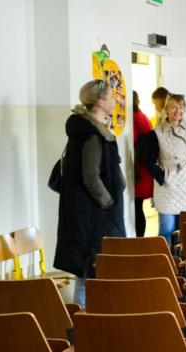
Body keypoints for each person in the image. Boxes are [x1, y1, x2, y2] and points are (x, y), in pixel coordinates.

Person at [54, 79, 126, 307]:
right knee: (89, 272)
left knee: (90, 272)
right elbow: (91, 176)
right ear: (100, 102)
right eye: (111, 97)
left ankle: (88, 318)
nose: (114, 101)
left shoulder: (87, 130)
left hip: (89, 215)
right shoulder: (92, 135)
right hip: (93, 216)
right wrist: (108, 201)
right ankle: (83, 321)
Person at [146, 94, 186, 246]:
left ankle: (185, 259)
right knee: (167, 229)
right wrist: (163, 177)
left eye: (181, 107)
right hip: (168, 186)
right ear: (166, 110)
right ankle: (166, 259)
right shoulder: (156, 133)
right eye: (174, 107)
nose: (178, 110)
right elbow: (149, 161)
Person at [132, 91, 154, 237]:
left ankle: (139, 239)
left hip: (140, 170)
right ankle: (139, 238)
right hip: (141, 169)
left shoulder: (137, 118)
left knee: (137, 207)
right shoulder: (140, 117)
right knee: (137, 207)